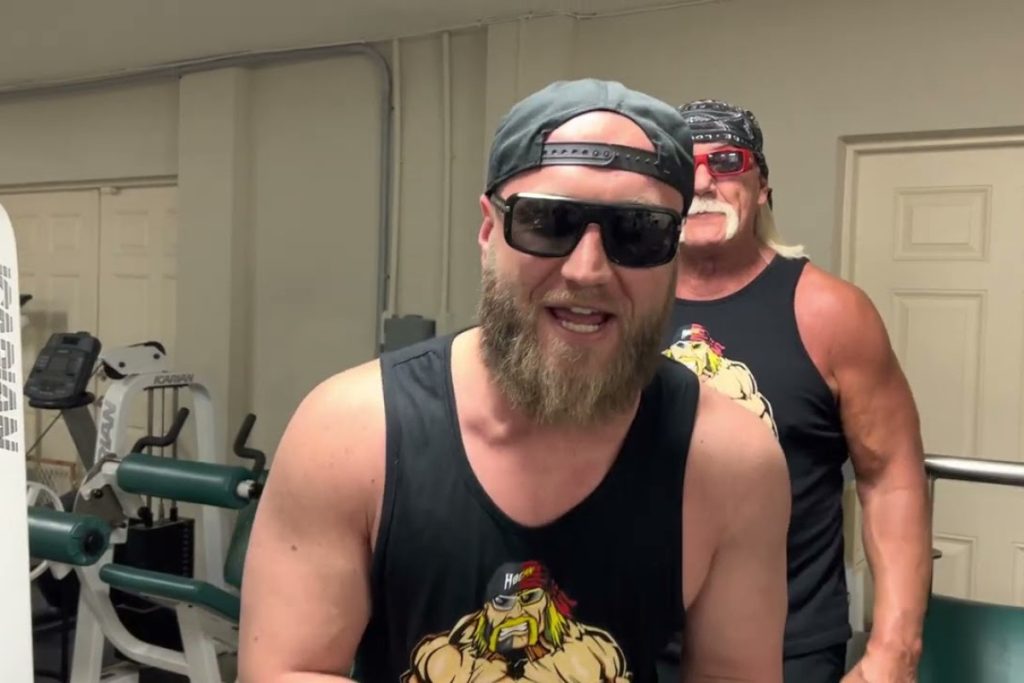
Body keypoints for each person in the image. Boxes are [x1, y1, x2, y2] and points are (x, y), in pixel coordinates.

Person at [238, 80, 792, 683]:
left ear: (673, 250)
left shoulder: (731, 461)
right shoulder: (349, 434)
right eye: (548, 221)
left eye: (638, 231)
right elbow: (284, 671)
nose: (587, 270)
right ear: (488, 230)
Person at [662, 99, 932, 683]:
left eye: (726, 162)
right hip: (632, 634)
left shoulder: (829, 311)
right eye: (685, 164)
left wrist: (895, 651)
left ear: (762, 187)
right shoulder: (618, 302)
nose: (703, 182)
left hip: (783, 646)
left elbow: (891, 478)